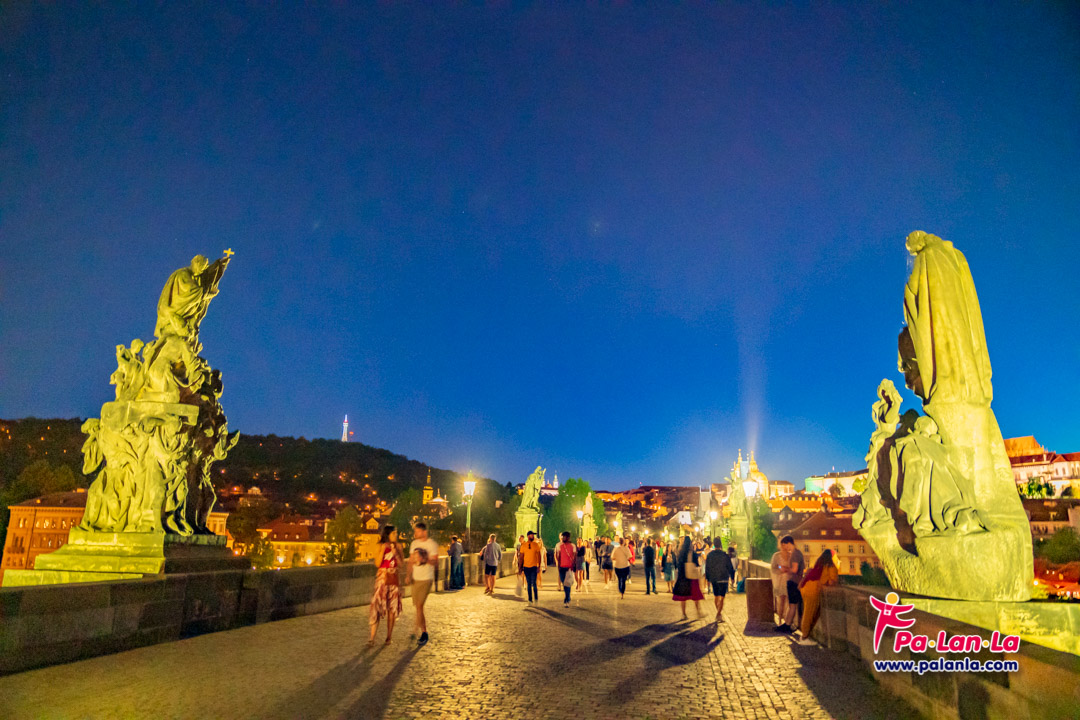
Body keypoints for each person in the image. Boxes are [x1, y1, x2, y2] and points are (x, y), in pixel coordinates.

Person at [368, 525, 404, 646]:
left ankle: (389, 637)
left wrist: (395, 553)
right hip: (382, 581)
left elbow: (401, 564)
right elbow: (378, 563)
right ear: (388, 534)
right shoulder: (380, 546)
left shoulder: (398, 546)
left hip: (393, 580)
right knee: (376, 606)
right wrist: (384, 550)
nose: (396, 535)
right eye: (394, 533)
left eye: (396, 533)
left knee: (392, 609)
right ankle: (372, 638)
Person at [408, 522, 439, 646]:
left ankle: (422, 632)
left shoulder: (432, 544)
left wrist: (424, 559)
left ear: (424, 532)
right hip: (416, 578)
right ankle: (419, 631)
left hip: (427, 578)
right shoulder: (414, 544)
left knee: (420, 605)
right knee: (418, 607)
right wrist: (407, 575)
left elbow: (435, 562)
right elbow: (411, 561)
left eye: (417, 531)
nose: (415, 533)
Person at [798, 550, 839, 643]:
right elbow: (832, 581)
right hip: (813, 589)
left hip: (806, 586)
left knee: (807, 611)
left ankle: (805, 635)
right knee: (809, 613)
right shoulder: (831, 566)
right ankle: (804, 637)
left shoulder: (819, 563)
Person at [771, 535, 805, 633]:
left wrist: (784, 568)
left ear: (788, 543)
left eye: (784, 545)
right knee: (792, 605)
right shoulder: (796, 553)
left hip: (794, 582)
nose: (784, 548)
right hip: (794, 582)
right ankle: (787, 624)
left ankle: (787, 625)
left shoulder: (795, 554)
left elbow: (794, 570)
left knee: (792, 605)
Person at [671, 535, 704, 619]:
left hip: (682, 576)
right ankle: (698, 612)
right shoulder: (692, 553)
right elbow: (697, 564)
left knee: (683, 597)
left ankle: (683, 614)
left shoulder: (681, 553)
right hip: (691, 576)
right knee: (695, 595)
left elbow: (678, 564)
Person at [704, 536, 734, 622]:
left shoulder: (710, 555)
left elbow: (707, 568)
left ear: (714, 544)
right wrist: (732, 577)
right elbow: (730, 566)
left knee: (716, 596)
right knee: (722, 597)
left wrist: (708, 579)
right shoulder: (724, 555)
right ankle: (718, 614)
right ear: (720, 545)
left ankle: (718, 613)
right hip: (723, 577)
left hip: (714, 578)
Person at [555, 531, 577, 607]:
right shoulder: (559, 546)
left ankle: (566, 599)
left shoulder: (572, 546)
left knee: (567, 583)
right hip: (562, 567)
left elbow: (574, 556)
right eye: (563, 537)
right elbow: (558, 556)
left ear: (568, 538)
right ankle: (568, 596)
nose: (563, 538)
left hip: (569, 567)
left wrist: (573, 566)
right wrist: (558, 566)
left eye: (565, 537)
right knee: (564, 583)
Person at [519, 531, 543, 603]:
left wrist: (539, 565)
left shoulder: (536, 545)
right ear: (528, 536)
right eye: (532, 535)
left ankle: (535, 598)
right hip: (526, 567)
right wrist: (520, 567)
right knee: (529, 584)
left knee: (534, 583)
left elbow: (539, 555)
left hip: (533, 566)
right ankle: (530, 599)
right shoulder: (523, 545)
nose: (533, 536)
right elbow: (521, 557)